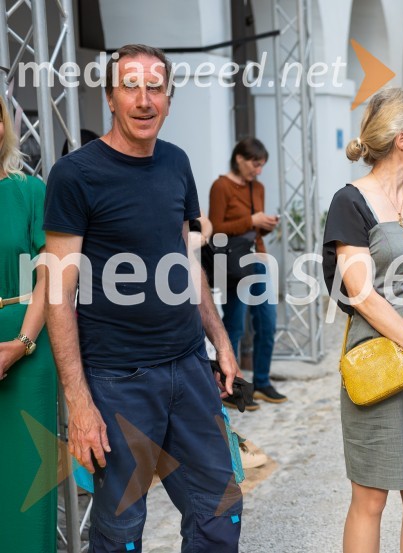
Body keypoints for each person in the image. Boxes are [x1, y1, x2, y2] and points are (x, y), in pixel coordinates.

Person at [43, 44, 243, 552]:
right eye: (130, 86)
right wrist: (79, 403)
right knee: (122, 533)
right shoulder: (75, 175)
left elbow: (186, 259)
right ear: (110, 98)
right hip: (118, 381)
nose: (144, 100)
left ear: (169, 99)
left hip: (188, 368)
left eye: (156, 88)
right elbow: (58, 293)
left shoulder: (176, 162)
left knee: (220, 509)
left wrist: (219, 340)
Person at [322, 87, 403, 553]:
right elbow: (363, 296)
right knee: (370, 497)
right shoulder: (350, 202)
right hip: (380, 359)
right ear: (402, 139)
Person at [0, 96, 58, 552]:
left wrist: (22, 342)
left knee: (27, 480)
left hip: (28, 342)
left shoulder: (30, 191)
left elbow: (49, 276)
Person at [208, 137, 285, 407]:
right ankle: (231, 388)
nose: (258, 170)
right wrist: (251, 220)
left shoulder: (258, 188)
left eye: (262, 165)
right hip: (233, 264)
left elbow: (253, 231)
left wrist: (264, 225)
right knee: (235, 325)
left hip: (258, 258)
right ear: (239, 159)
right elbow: (216, 229)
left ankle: (262, 381)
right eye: (255, 164)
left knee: (267, 321)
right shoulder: (221, 186)